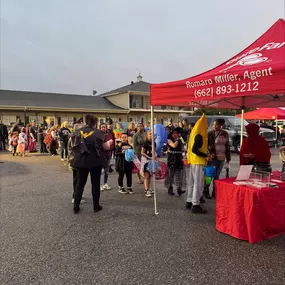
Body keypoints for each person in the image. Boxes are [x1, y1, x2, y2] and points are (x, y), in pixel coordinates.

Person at [70, 114, 113, 214]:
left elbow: (72, 146)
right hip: (95, 160)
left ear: (84, 121)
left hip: (81, 160)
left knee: (80, 184)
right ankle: (96, 206)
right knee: (95, 184)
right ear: (95, 122)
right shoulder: (99, 133)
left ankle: (76, 207)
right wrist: (109, 143)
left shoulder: (76, 132)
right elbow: (105, 147)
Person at [186, 114, 210, 214]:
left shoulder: (194, 133)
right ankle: (195, 204)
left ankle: (189, 201)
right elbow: (195, 149)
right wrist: (206, 155)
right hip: (199, 162)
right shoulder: (199, 135)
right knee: (198, 184)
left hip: (193, 161)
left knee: (192, 183)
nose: (207, 127)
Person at [207, 119, 231, 197]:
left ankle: (215, 191)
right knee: (209, 175)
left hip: (222, 158)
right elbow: (206, 146)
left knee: (217, 176)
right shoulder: (210, 133)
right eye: (214, 124)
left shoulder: (225, 133)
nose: (214, 126)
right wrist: (209, 154)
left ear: (221, 125)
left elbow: (227, 145)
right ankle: (206, 190)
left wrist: (228, 157)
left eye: (216, 124)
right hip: (213, 158)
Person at [165, 128, 186, 196]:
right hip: (172, 158)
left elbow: (183, 146)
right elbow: (174, 146)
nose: (175, 134)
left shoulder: (180, 140)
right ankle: (170, 188)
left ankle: (179, 189)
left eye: (176, 133)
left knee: (178, 174)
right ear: (171, 134)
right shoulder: (169, 140)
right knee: (171, 174)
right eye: (173, 133)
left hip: (178, 158)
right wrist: (178, 139)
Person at [141, 131, 156, 197]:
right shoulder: (145, 143)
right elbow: (142, 152)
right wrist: (149, 157)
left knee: (150, 175)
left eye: (153, 134)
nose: (151, 135)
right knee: (146, 175)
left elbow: (154, 151)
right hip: (146, 161)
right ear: (147, 135)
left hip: (151, 160)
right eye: (150, 134)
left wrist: (156, 157)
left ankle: (148, 188)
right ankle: (146, 190)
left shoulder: (154, 143)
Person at [100, 123, 114, 191]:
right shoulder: (98, 134)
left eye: (104, 127)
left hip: (108, 154)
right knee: (99, 170)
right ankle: (99, 185)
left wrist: (109, 146)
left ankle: (105, 183)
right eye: (102, 127)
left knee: (106, 170)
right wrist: (106, 144)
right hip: (100, 155)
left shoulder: (109, 134)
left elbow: (112, 144)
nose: (103, 128)